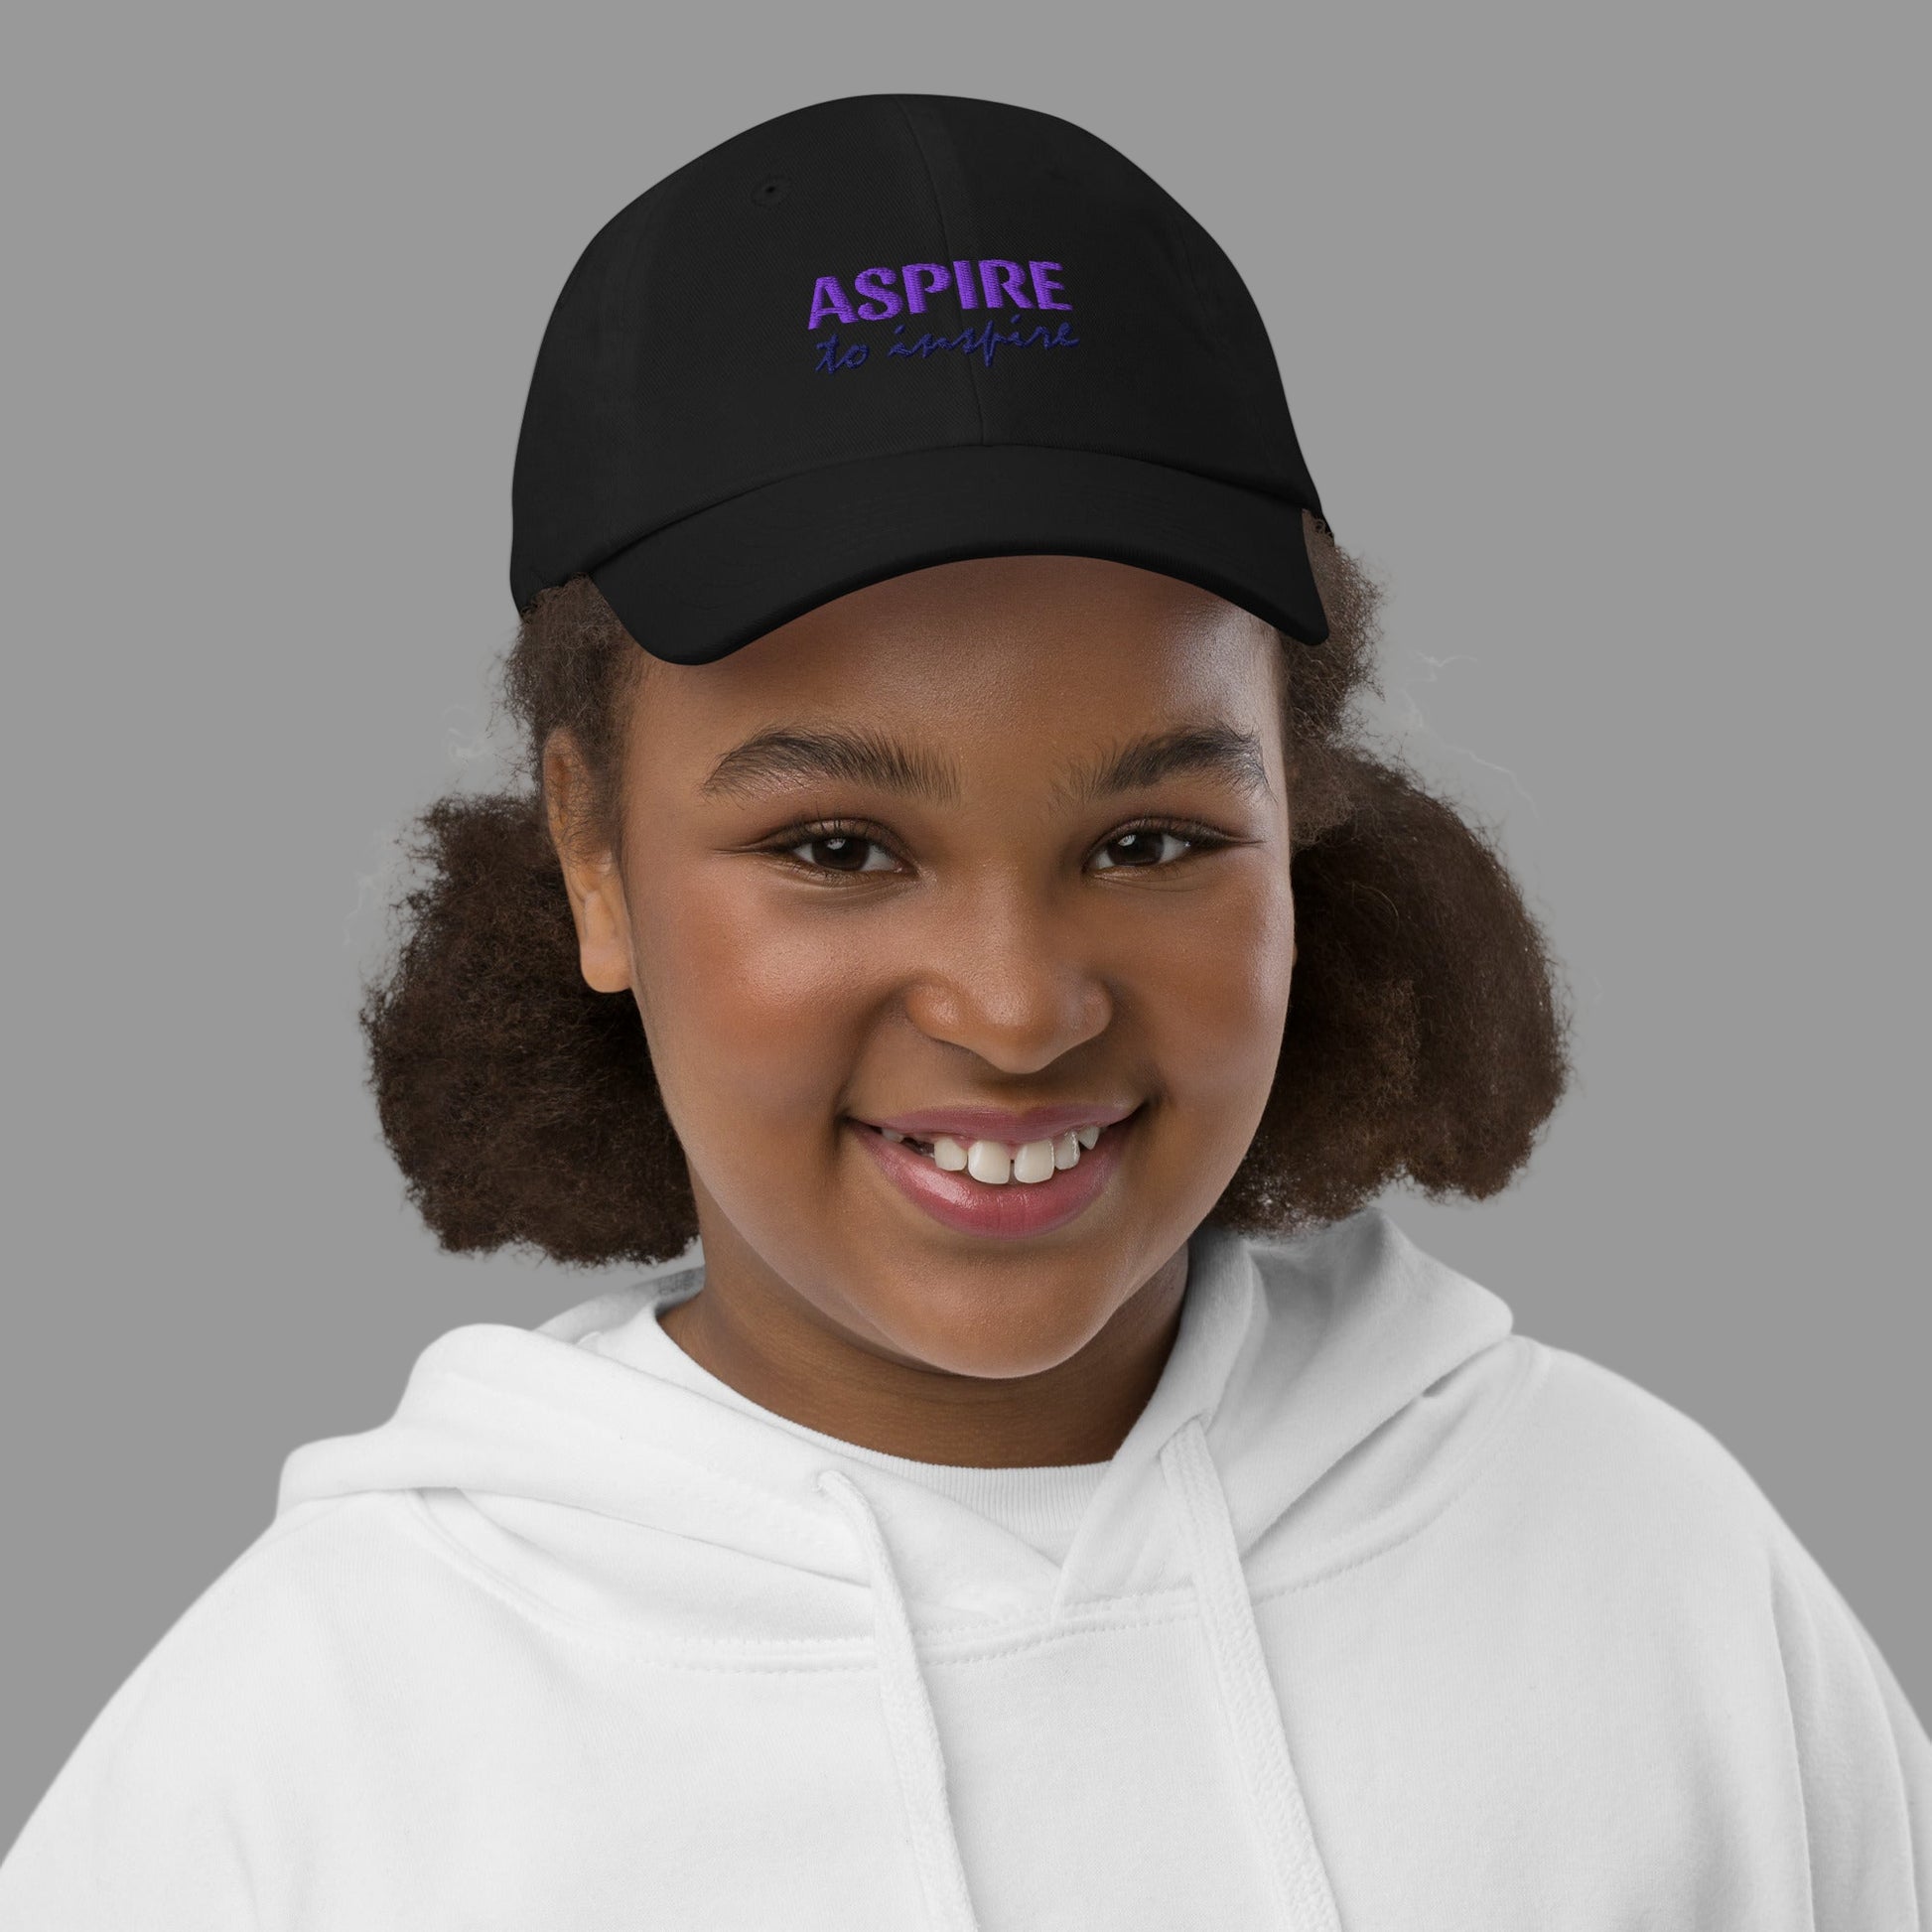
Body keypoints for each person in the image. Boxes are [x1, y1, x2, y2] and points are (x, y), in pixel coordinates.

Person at [2, 91, 1924, 1932]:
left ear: (1298, 825)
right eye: (837, 845)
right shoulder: (311, 1750)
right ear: (592, 854)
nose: (1014, 1009)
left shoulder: (1643, 1566)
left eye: (1153, 837)